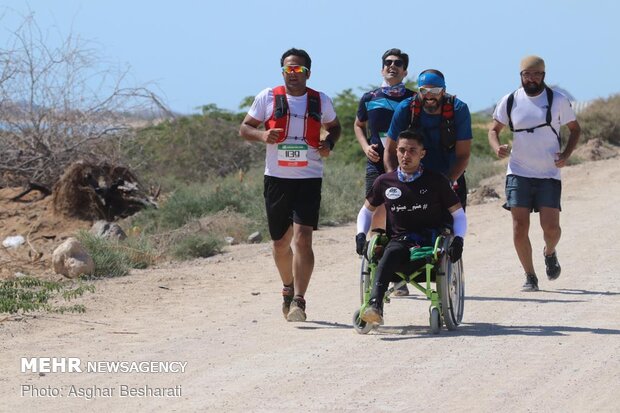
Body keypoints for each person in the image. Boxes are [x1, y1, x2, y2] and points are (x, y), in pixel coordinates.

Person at [239, 48, 341, 321]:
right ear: (282, 71)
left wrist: (328, 143)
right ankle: (287, 287)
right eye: (288, 70)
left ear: (308, 72)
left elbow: (335, 127)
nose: (292, 74)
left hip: (309, 177)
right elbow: (244, 128)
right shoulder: (268, 97)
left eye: (298, 70)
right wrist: (262, 135)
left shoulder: (321, 100)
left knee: (303, 239)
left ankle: (299, 300)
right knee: (280, 243)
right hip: (276, 178)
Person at [488, 55, 580, 292]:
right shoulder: (509, 100)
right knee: (520, 227)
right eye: (527, 75)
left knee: (551, 229)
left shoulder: (558, 100)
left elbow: (575, 129)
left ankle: (549, 252)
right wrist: (497, 146)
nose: (531, 79)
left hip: (549, 173)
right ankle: (530, 276)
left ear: (543, 76)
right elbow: (493, 129)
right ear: (521, 76)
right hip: (518, 172)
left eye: (536, 74)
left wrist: (566, 155)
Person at [355, 129, 467, 324]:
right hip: (400, 242)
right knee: (389, 252)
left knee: (398, 251)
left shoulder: (436, 181)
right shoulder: (385, 182)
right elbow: (366, 211)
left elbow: (458, 214)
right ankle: (374, 305)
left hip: (430, 243)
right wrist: (360, 235)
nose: (406, 155)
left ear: (422, 154)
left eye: (412, 151)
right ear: (396, 151)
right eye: (402, 150)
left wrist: (458, 239)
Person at [354, 48, 415, 296]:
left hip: (406, 164)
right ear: (382, 69)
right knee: (377, 211)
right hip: (376, 163)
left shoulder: (413, 98)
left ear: (405, 71)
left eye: (398, 63)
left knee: (401, 213)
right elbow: (359, 125)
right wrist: (365, 146)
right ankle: (378, 267)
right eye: (388, 63)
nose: (392, 66)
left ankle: (400, 276)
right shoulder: (369, 97)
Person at [384, 69, 472, 208]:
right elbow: (389, 151)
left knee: (452, 227)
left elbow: (463, 155)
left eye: (435, 91)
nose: (429, 96)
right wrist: (395, 182)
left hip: (449, 175)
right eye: (424, 91)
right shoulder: (406, 109)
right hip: (412, 179)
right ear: (418, 91)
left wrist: (448, 183)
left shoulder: (458, 109)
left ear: (443, 90)